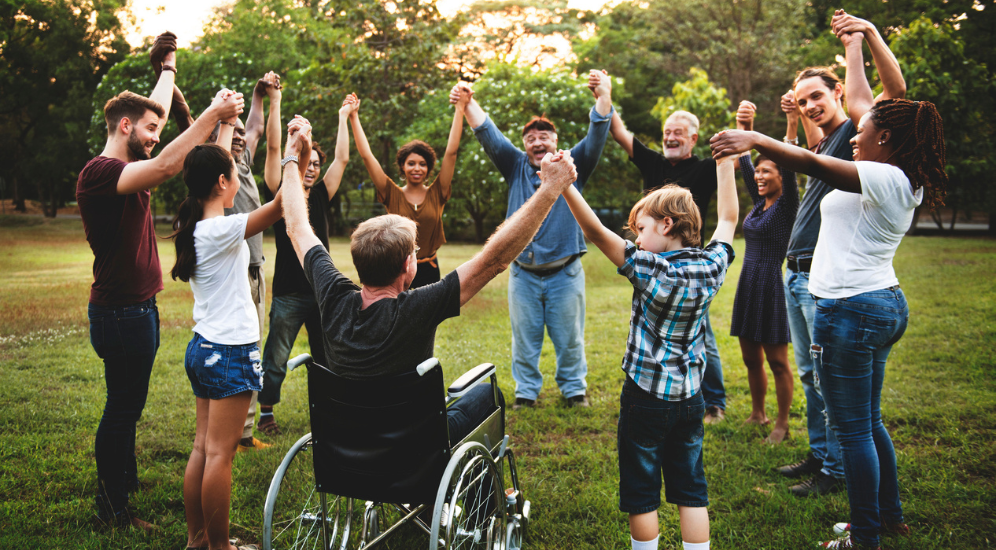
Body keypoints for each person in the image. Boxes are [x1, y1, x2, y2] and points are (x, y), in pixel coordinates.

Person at [710, 17, 945, 550]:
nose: (854, 138)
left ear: (884, 138)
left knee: (856, 429)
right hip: (877, 302)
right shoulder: (896, 172)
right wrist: (856, 42)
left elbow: (813, 159)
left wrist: (757, 137)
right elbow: (861, 102)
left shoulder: (883, 175)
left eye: (862, 134)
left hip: (852, 309)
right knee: (870, 421)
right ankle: (889, 517)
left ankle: (863, 536)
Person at [277, 116, 580, 442]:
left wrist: (292, 155)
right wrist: (550, 189)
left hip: (348, 442)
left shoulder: (332, 296)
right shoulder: (420, 307)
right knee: (488, 397)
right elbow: (494, 260)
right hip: (416, 444)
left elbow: (296, 226)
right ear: (410, 265)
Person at [77, 36, 243, 530]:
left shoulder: (127, 163)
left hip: (137, 310)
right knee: (122, 408)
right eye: (149, 130)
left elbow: (158, 117)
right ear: (124, 127)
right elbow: (171, 162)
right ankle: (113, 508)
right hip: (120, 313)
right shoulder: (102, 172)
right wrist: (212, 114)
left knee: (128, 404)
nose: (156, 135)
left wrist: (167, 68)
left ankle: (121, 482)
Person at [560, 142, 740, 550]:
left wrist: (566, 185)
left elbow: (593, 232)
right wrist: (726, 165)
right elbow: (728, 217)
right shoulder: (712, 264)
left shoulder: (648, 267)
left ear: (667, 224)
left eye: (641, 229)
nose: (636, 239)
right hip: (691, 398)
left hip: (645, 397)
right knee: (690, 487)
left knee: (642, 491)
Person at [773, 11, 908, 497]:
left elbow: (883, 97)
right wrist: (794, 116)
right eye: (803, 98)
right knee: (813, 377)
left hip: (833, 286)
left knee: (836, 391)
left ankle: (837, 472)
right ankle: (822, 454)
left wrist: (860, 39)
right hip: (801, 272)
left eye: (817, 97)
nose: (811, 105)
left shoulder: (858, 135)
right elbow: (811, 147)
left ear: (838, 96)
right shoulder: (842, 143)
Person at [451, 70, 614, 409]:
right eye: (531, 139)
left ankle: (574, 391)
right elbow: (487, 133)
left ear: (556, 141)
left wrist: (604, 95)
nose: (538, 142)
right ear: (525, 145)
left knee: (570, 340)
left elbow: (598, 131)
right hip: (523, 274)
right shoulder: (514, 166)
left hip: (565, 273)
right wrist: (469, 102)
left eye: (545, 136)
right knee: (524, 341)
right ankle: (526, 393)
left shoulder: (573, 165)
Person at [167, 136, 291, 550]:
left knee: (204, 448)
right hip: (229, 353)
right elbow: (280, 207)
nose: (239, 178)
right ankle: (218, 547)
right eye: (235, 172)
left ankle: (198, 540)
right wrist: (294, 152)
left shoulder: (197, 225)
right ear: (223, 181)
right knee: (220, 454)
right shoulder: (222, 229)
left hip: (203, 348)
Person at [606, 87, 727, 424]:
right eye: (667, 133)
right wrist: (605, 95)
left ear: (693, 137)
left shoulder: (705, 169)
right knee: (652, 324)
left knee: (701, 330)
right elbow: (618, 131)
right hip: (652, 258)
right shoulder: (654, 162)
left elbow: (731, 185)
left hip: (690, 263)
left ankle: (713, 401)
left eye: (678, 133)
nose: (671, 138)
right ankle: (652, 384)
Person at [256, 96, 355, 435]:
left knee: (328, 356)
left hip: (323, 291)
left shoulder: (324, 195)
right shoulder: (282, 195)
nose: (311, 167)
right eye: (305, 161)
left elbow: (342, 157)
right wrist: (275, 103)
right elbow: (272, 150)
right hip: (288, 293)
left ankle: (330, 410)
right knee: (277, 356)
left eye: (315, 163)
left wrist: (344, 116)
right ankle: (266, 412)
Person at [208, 71, 283, 453]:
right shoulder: (217, 172)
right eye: (230, 131)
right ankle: (238, 433)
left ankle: (242, 430)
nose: (240, 135)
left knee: (252, 346)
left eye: (240, 132)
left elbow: (251, 126)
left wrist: (258, 93)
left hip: (257, 267)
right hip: (238, 274)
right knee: (243, 347)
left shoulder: (245, 162)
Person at [728, 100, 800, 444]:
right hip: (748, 283)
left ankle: (782, 424)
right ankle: (758, 413)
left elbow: (787, 161)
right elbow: (743, 161)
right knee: (749, 357)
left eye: (766, 171)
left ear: (781, 177)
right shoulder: (759, 204)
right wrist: (745, 124)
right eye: (757, 172)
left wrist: (790, 124)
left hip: (771, 284)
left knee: (777, 361)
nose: (758, 175)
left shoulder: (787, 205)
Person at [348, 90, 465, 288]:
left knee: (428, 319)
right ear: (403, 166)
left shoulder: (438, 193)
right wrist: (354, 117)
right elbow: (367, 157)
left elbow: (451, 153)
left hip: (429, 269)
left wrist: (460, 108)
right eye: (411, 163)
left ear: (428, 168)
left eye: (422, 164)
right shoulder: (391, 193)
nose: (417, 168)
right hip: (395, 270)